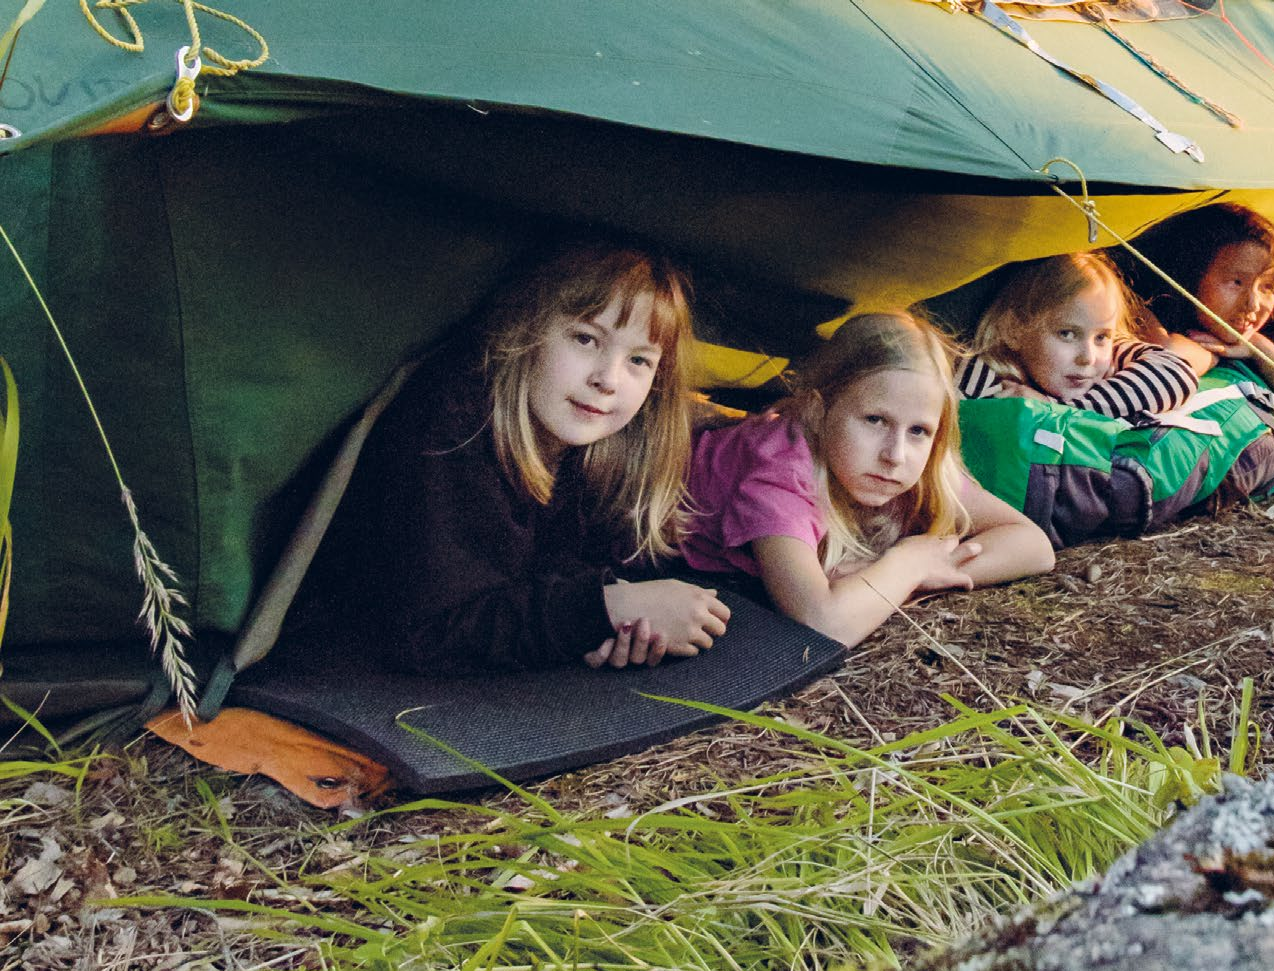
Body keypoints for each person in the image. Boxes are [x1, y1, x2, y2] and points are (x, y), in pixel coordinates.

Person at [325, 244, 730, 674]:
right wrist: (600, 610)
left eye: (638, 361)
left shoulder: (591, 447)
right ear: (523, 332)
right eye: (586, 339)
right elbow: (429, 633)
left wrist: (620, 620)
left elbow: (551, 578)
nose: (607, 379)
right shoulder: (452, 425)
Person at [683, 312, 1053, 646]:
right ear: (817, 411)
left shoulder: (914, 466)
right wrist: (907, 563)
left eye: (920, 431)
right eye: (875, 420)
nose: (895, 455)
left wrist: (916, 574)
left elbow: (1033, 546)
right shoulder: (780, 478)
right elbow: (822, 622)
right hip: (656, 481)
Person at [1122, 201, 1274, 453]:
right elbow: (1165, 357)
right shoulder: (1148, 310)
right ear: (1192, 276)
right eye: (1236, 282)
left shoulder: (1257, 343)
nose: (1253, 304)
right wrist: (1210, 353)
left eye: (1267, 287)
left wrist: (1261, 348)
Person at [957, 252, 1212, 421]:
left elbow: (1176, 372)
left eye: (1102, 336)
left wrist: (1055, 410)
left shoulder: (1109, 354)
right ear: (1014, 330)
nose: (1088, 357)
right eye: (1066, 334)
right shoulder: (981, 376)